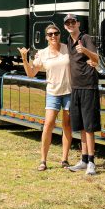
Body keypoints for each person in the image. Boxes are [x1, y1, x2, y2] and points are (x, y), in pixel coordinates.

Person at [18, 23, 73, 171]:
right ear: (46, 37)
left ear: (60, 35)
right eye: (50, 34)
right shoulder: (42, 53)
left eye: (56, 33)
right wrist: (24, 58)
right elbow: (31, 74)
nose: (53, 36)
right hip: (52, 93)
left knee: (67, 125)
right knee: (48, 124)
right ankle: (43, 161)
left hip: (68, 92)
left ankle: (65, 160)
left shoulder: (67, 49)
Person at [63, 14, 100, 176]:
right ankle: (84, 160)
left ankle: (91, 162)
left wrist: (84, 50)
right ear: (65, 26)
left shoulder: (85, 38)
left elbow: (96, 58)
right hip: (76, 87)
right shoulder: (68, 40)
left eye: (73, 22)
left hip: (88, 86)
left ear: (78, 23)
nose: (70, 24)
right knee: (82, 126)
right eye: (68, 23)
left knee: (89, 126)